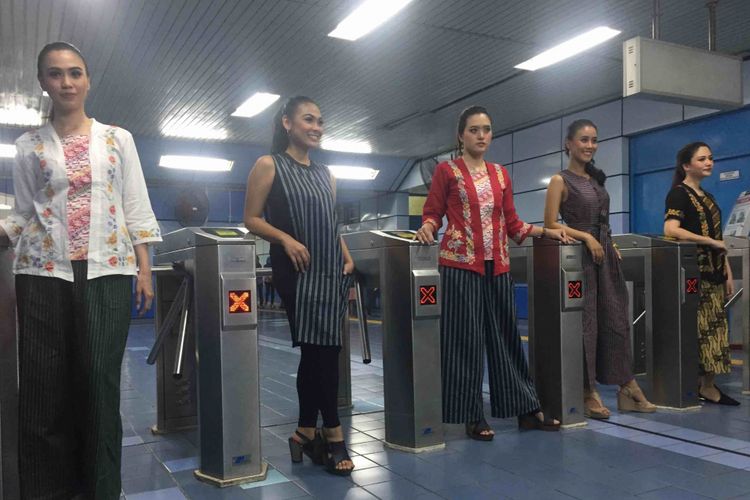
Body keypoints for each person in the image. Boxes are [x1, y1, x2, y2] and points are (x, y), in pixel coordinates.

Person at [0, 42, 161, 499]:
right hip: (40, 272)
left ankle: (100, 489)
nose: (66, 82)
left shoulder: (117, 138)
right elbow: (25, 212)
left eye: (75, 73)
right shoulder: (27, 145)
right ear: (42, 83)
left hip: (107, 271)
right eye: (55, 74)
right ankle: (44, 490)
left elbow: (135, 205)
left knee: (98, 384)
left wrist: (144, 267)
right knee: (41, 386)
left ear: (88, 80)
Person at [415, 105, 569, 440]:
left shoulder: (500, 174)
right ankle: (471, 414)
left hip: (498, 265)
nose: (481, 135)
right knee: (465, 341)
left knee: (507, 340)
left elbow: (512, 224)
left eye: (486, 129)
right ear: (461, 135)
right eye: (474, 129)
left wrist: (545, 232)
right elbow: (433, 212)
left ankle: (527, 409)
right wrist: (428, 226)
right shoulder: (447, 171)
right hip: (459, 265)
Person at [243, 96, 355, 474]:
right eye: (308, 119)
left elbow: (329, 222)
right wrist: (286, 240)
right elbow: (251, 219)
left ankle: (305, 432)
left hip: (329, 269)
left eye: (320, 121)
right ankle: (334, 433)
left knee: (321, 352)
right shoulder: (268, 165)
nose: (316, 127)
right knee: (319, 351)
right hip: (296, 270)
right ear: (287, 123)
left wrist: (346, 255)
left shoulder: (328, 175)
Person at [544, 119, 655, 418]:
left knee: (617, 320)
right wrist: (587, 236)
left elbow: (602, 219)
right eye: (583, 139)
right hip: (581, 257)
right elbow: (551, 224)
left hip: (604, 253)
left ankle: (626, 385)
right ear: (568, 143)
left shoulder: (596, 180)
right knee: (587, 325)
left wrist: (607, 241)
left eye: (594, 140)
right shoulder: (560, 181)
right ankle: (586, 389)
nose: (590, 145)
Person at [664, 142, 738, 405]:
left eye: (711, 158)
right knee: (705, 330)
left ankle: (706, 383)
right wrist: (707, 242)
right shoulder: (679, 194)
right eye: (702, 159)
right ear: (686, 165)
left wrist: (727, 271)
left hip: (716, 272)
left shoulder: (709, 197)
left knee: (716, 329)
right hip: (696, 272)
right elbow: (671, 229)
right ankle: (704, 385)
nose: (709, 163)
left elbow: (718, 239)